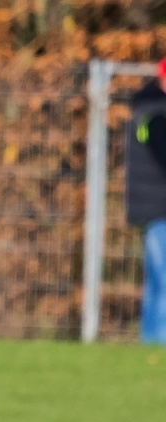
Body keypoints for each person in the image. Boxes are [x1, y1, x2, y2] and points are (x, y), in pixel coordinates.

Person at [126, 59, 166, 343]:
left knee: (156, 282)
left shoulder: (147, 110)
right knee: (162, 281)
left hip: (154, 209)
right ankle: (158, 341)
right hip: (160, 209)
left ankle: (150, 343)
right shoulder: (155, 115)